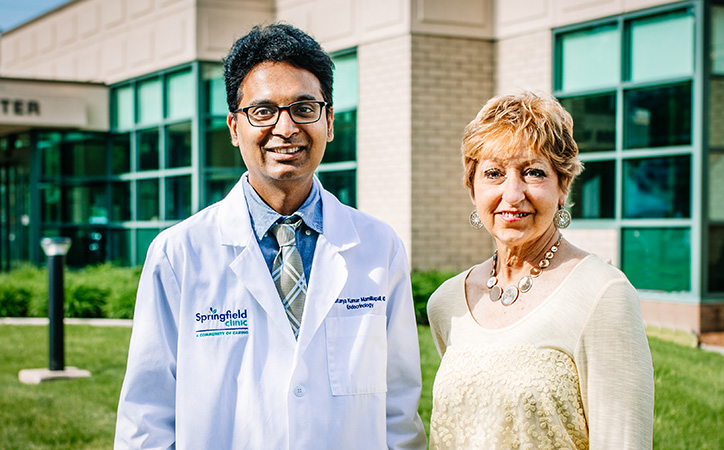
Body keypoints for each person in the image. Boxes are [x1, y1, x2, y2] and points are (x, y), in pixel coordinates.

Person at [115, 23, 426, 450]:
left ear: (329, 122)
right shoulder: (179, 254)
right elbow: (146, 418)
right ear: (233, 127)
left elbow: (400, 406)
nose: (286, 127)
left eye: (304, 108)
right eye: (263, 111)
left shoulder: (378, 246)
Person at [427, 91, 654, 449]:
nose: (512, 193)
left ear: (563, 186)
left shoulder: (602, 294)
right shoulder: (446, 303)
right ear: (472, 188)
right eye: (494, 173)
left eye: (533, 172)